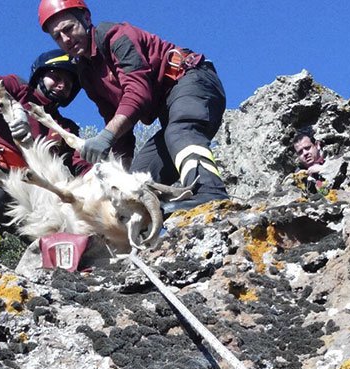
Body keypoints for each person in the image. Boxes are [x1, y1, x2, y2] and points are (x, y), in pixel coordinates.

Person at [37, 0, 230, 214]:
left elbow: (139, 92)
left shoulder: (115, 36)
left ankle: (211, 194)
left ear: (86, 18)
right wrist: (122, 174)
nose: (65, 39)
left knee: (181, 131)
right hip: (170, 111)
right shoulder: (86, 74)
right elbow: (118, 126)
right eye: (57, 36)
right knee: (138, 180)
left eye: (69, 28)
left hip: (192, 81)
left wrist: (105, 136)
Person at [0, 49, 89, 266]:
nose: (62, 85)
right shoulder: (18, 90)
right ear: (39, 75)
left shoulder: (65, 127)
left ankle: (56, 276)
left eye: (68, 83)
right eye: (56, 77)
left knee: (61, 231)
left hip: (31, 196)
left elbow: (81, 165)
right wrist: (9, 104)